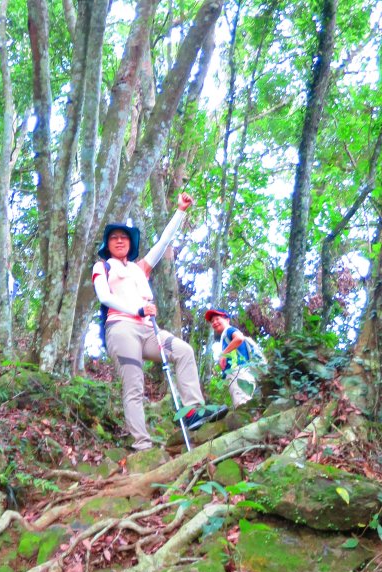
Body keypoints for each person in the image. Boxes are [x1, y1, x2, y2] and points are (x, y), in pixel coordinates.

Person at [92, 192, 228, 452]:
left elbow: (165, 240)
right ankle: (142, 445)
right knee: (134, 385)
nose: (119, 241)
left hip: (149, 330)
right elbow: (104, 296)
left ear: (130, 244)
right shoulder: (104, 267)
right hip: (121, 329)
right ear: (107, 245)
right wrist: (137, 309)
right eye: (114, 238)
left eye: (124, 237)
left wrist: (180, 211)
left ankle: (193, 412)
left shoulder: (139, 268)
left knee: (184, 351)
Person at [205, 308, 264, 407]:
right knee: (244, 402)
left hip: (239, 371)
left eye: (217, 319)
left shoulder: (229, 330)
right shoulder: (225, 336)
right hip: (241, 372)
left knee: (242, 404)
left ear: (227, 320)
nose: (214, 322)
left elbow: (239, 338)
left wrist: (223, 354)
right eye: (212, 321)